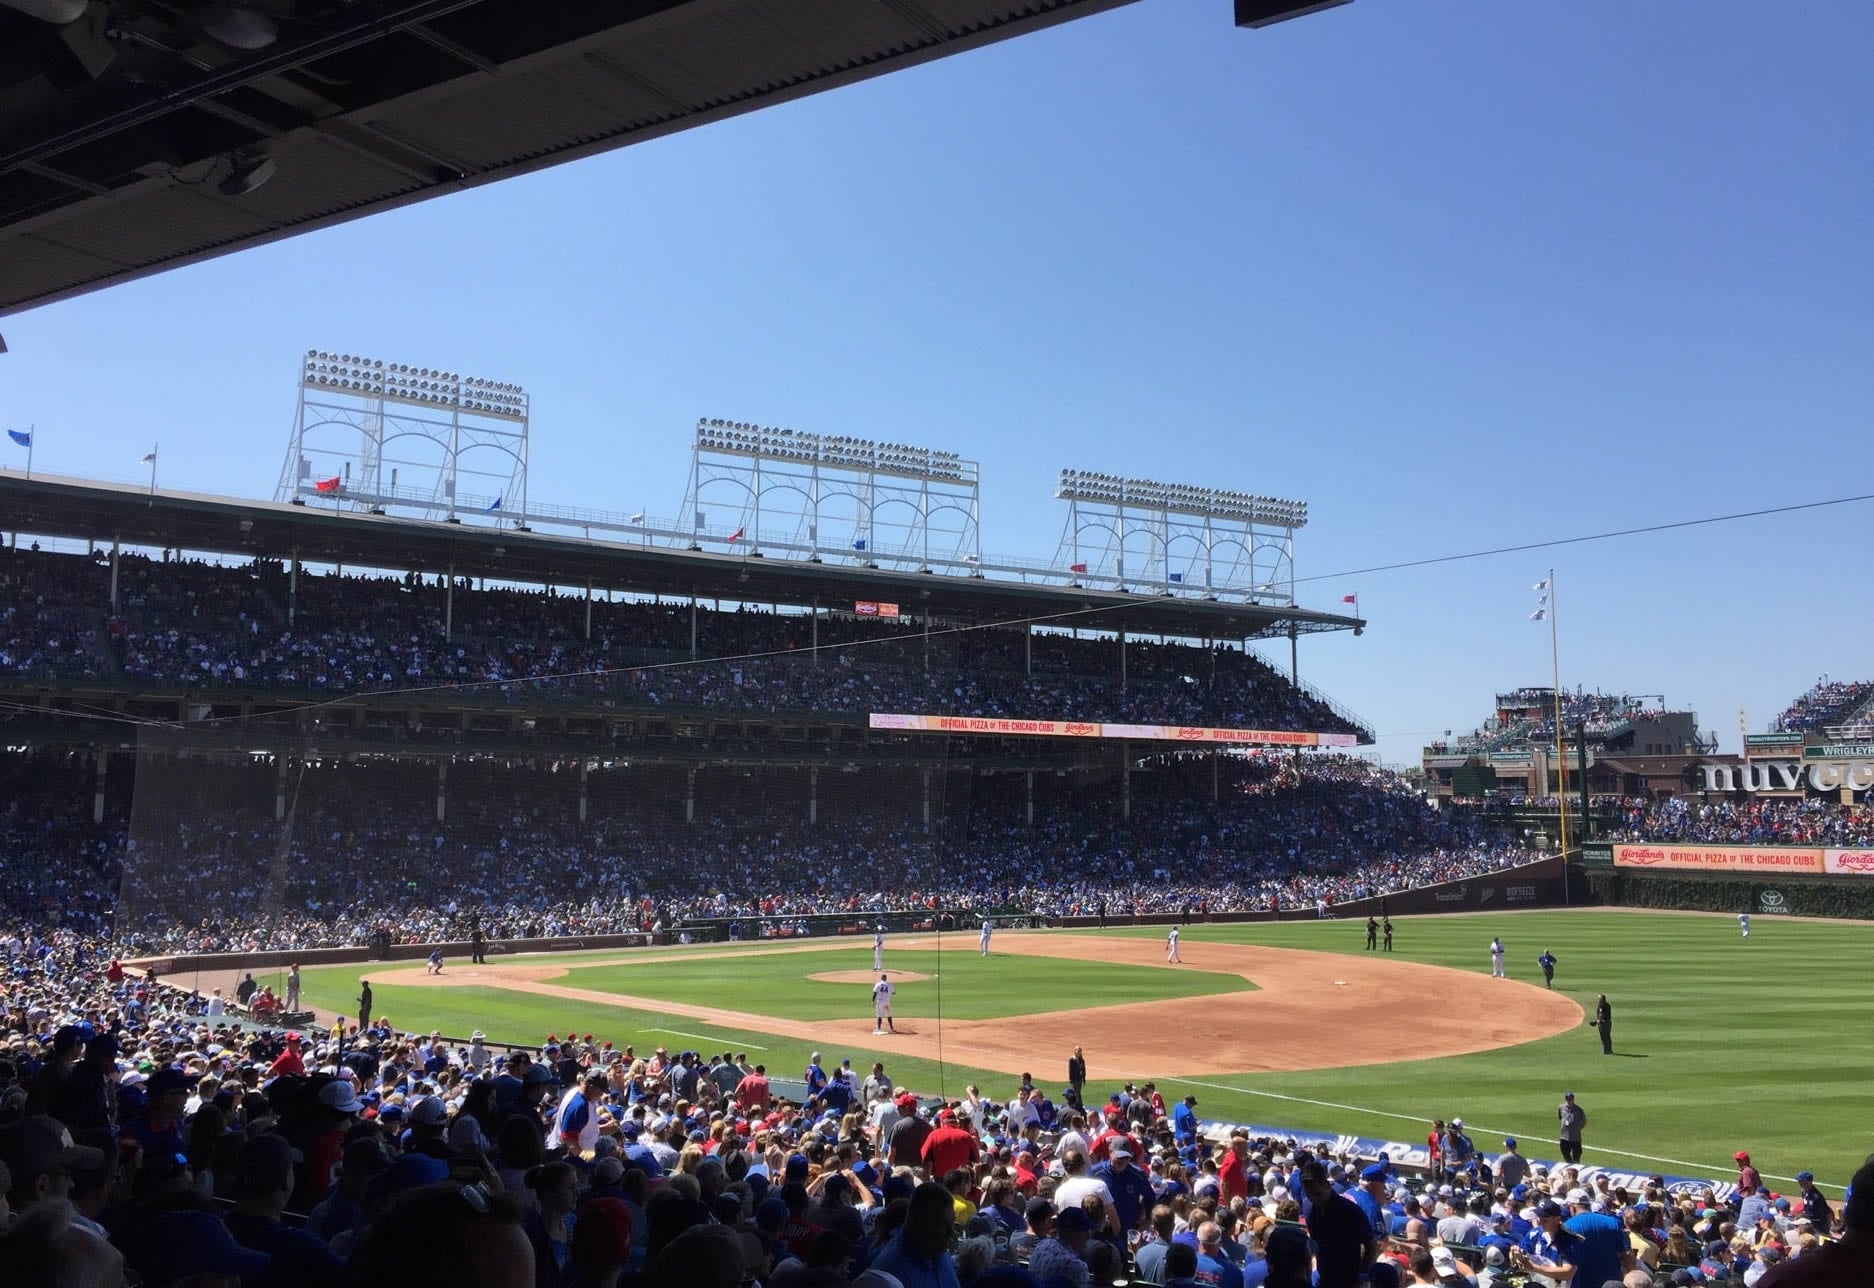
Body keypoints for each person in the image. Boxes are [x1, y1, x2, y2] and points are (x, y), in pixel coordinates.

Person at [1758, 1155, 1874, 1285]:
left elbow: (1826, 1211)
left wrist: (1830, 1224)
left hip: (1820, 1223)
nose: (1800, 1184)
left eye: (1802, 1181)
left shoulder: (1781, 1278)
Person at [1300, 1159, 1378, 1288]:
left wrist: (1361, 1278)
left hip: (1348, 1281)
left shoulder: (1349, 1211)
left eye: (1317, 1193)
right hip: (1323, 1277)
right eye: (1309, 1194)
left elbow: (1371, 1245)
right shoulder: (1308, 1206)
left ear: (1326, 1184)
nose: (1314, 1198)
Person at [1557, 1092, 1586, 1165]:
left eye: (1570, 1099)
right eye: (1567, 1099)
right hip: (1564, 1136)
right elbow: (1561, 1118)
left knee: (1577, 1157)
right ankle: (1570, 1165)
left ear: (1573, 1099)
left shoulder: (1578, 1110)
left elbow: (1584, 1121)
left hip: (1575, 1138)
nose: (1569, 1101)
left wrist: (1578, 1129)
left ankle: (1575, 1168)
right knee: (1565, 1153)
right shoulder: (1561, 1107)